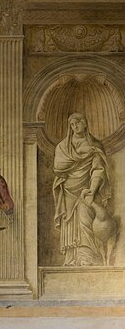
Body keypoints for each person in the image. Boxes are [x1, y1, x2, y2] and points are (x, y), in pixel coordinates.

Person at [53, 112, 111, 266]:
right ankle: (71, 258)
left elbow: (98, 170)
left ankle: (86, 256)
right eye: (72, 124)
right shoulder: (62, 147)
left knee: (84, 219)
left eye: (79, 122)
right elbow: (58, 167)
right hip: (68, 191)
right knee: (70, 222)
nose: (75, 126)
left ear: (85, 123)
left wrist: (92, 190)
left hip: (86, 191)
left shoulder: (94, 146)